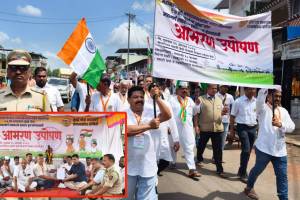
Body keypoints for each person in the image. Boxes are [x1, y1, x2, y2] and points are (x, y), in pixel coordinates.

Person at [244, 88, 295, 200]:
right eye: (275, 96)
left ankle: (283, 198)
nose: (278, 98)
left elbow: (292, 127)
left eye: (279, 96)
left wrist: (281, 124)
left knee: (282, 176)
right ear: (268, 96)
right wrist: (265, 86)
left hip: (280, 151)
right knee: (257, 170)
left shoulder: (283, 111)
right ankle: (249, 187)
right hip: (264, 149)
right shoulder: (262, 108)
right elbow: (260, 99)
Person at [127, 86, 171, 200]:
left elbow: (167, 115)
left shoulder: (150, 112)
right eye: (135, 97)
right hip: (128, 166)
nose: (139, 99)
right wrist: (148, 126)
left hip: (148, 165)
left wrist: (156, 97)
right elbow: (125, 130)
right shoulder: (123, 113)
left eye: (141, 97)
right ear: (128, 100)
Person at [169, 81, 201, 178]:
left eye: (186, 88)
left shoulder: (190, 100)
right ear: (178, 89)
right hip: (174, 127)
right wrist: (167, 126)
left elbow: (195, 113)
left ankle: (192, 169)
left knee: (189, 147)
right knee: (173, 146)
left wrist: (197, 104)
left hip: (187, 127)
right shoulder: (171, 99)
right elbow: (167, 114)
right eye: (182, 88)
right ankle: (173, 162)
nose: (184, 90)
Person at [196, 84, 227, 178]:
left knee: (218, 150)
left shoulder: (219, 99)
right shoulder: (201, 99)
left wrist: (223, 112)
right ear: (208, 89)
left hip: (218, 128)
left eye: (215, 89)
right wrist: (196, 126)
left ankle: (219, 169)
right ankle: (199, 158)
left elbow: (220, 112)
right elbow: (196, 114)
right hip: (205, 128)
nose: (214, 90)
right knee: (201, 145)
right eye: (212, 88)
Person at [229, 87, 257, 183]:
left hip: (253, 128)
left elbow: (259, 116)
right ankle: (243, 173)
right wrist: (232, 130)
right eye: (250, 89)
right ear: (245, 90)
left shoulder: (257, 102)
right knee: (245, 149)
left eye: (254, 89)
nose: (252, 91)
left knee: (248, 151)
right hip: (242, 128)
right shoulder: (238, 101)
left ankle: (241, 170)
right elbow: (232, 116)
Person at [216, 85, 234, 150]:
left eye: (227, 87)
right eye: (224, 87)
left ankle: (220, 155)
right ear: (220, 87)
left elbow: (233, 109)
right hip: (217, 120)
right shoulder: (215, 96)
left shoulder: (230, 97)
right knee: (216, 139)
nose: (226, 88)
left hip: (226, 121)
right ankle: (215, 155)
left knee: (223, 139)